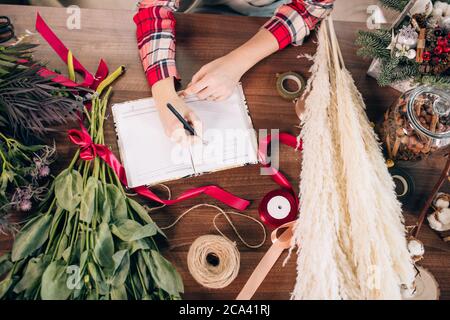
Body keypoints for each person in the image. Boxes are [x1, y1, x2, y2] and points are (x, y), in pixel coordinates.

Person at [134, 0, 334, 143]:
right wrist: (164, 96)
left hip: (280, 12)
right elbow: (153, 8)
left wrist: (235, 64)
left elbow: (309, 8)